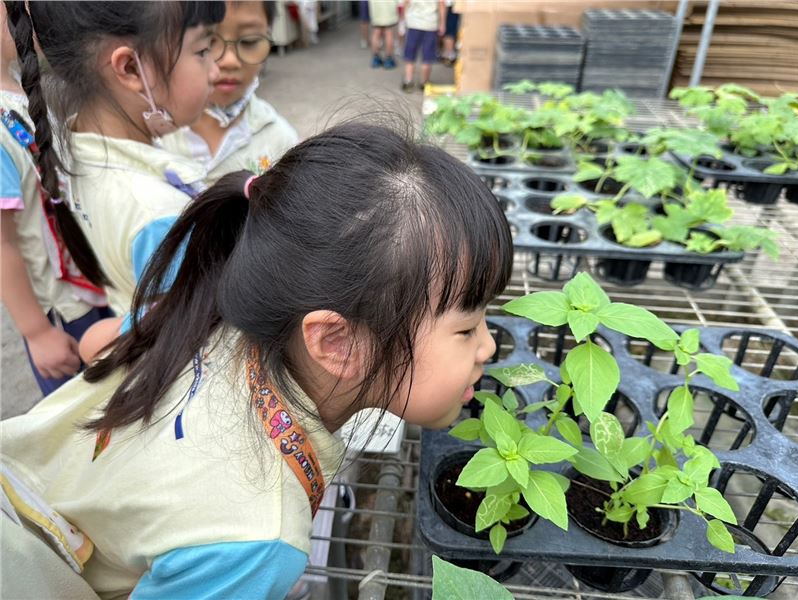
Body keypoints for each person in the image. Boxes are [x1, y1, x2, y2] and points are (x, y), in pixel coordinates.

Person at [0, 122, 513, 598]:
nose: (488, 347)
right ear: (337, 343)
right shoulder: (256, 539)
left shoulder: (210, 309)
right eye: (466, 328)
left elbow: (95, 343)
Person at [5, 1, 224, 318]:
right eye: (202, 51)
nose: (215, 70)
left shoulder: (72, 148)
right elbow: (204, 333)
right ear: (131, 68)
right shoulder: (160, 216)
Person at [1, 3, 111, 396]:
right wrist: (36, 332)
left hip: (92, 284)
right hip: (65, 312)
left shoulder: (22, 92)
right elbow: (2, 243)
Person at [161, 0, 299, 188]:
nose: (229, 61)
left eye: (249, 41)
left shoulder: (281, 142)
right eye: (208, 41)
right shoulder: (152, 135)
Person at [401, 0, 445, 92]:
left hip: (413, 24)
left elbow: (406, 3)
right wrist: (442, 23)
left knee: (410, 53)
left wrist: (403, 20)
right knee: (427, 55)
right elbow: (441, 4)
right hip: (430, 25)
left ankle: (408, 81)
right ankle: (424, 82)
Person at [368, 0, 399, 69]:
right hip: (388, 6)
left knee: (376, 31)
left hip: (376, 6)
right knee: (388, 31)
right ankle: (388, 59)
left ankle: (376, 58)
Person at [441, 0, 460, 67]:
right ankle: (449, 54)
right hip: (450, 5)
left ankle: (448, 54)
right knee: (450, 30)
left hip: (452, 5)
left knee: (450, 29)